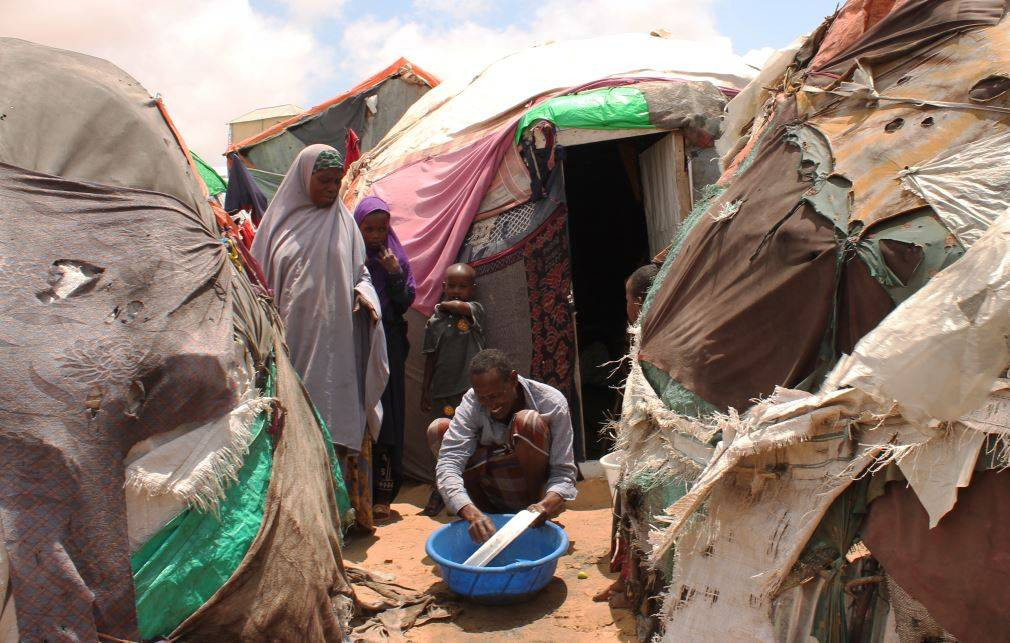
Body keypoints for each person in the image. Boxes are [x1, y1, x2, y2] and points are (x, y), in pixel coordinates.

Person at [251, 144, 388, 534]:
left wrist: (367, 294)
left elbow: (360, 273)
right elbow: (258, 286)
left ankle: (342, 519)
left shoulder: (345, 224)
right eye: (324, 181)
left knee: (338, 418)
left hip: (339, 345)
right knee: (295, 423)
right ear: (302, 179)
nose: (332, 188)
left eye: (337, 181)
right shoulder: (275, 227)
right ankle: (302, 525)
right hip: (291, 344)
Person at [430, 349, 578, 544]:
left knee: (529, 422)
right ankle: (485, 520)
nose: (491, 405)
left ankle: (530, 518)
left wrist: (545, 506)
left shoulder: (551, 402)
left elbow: (564, 472)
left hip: (532, 495)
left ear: (513, 379)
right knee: (438, 430)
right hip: (490, 487)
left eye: (496, 395)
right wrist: (470, 512)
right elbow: (449, 462)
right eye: (483, 397)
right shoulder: (472, 401)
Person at [354, 196, 415, 523]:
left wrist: (393, 274)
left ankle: (384, 493)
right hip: (357, 341)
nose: (376, 235)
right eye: (368, 229)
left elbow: (405, 302)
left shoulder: (396, 259)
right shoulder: (350, 258)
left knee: (388, 414)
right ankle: (356, 490)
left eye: (381, 228)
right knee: (360, 412)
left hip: (389, 342)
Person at [419, 263, 486, 515]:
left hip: (470, 392)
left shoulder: (474, 311)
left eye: (463, 286)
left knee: (472, 436)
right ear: (443, 287)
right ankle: (442, 489)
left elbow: (461, 306)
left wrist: (444, 305)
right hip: (442, 391)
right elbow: (430, 359)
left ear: (473, 289)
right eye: (452, 286)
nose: (457, 291)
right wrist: (425, 390)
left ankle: (471, 489)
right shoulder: (435, 321)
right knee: (443, 439)